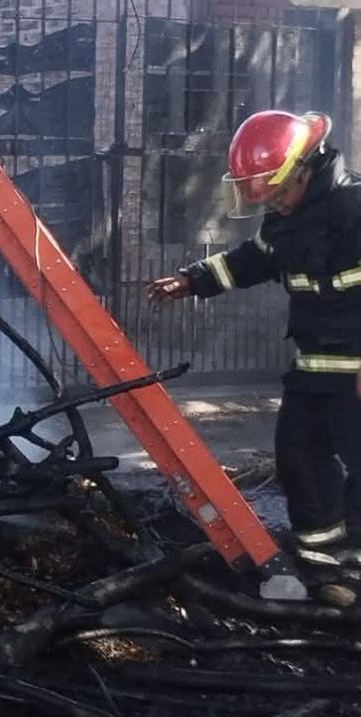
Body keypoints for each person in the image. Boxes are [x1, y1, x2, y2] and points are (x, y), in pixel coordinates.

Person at [150, 109, 361, 597]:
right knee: (299, 458)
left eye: (280, 191)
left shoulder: (354, 209)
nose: (276, 203)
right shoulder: (287, 222)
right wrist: (193, 280)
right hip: (313, 368)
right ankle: (322, 564)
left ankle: (355, 563)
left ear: (305, 169)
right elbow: (255, 259)